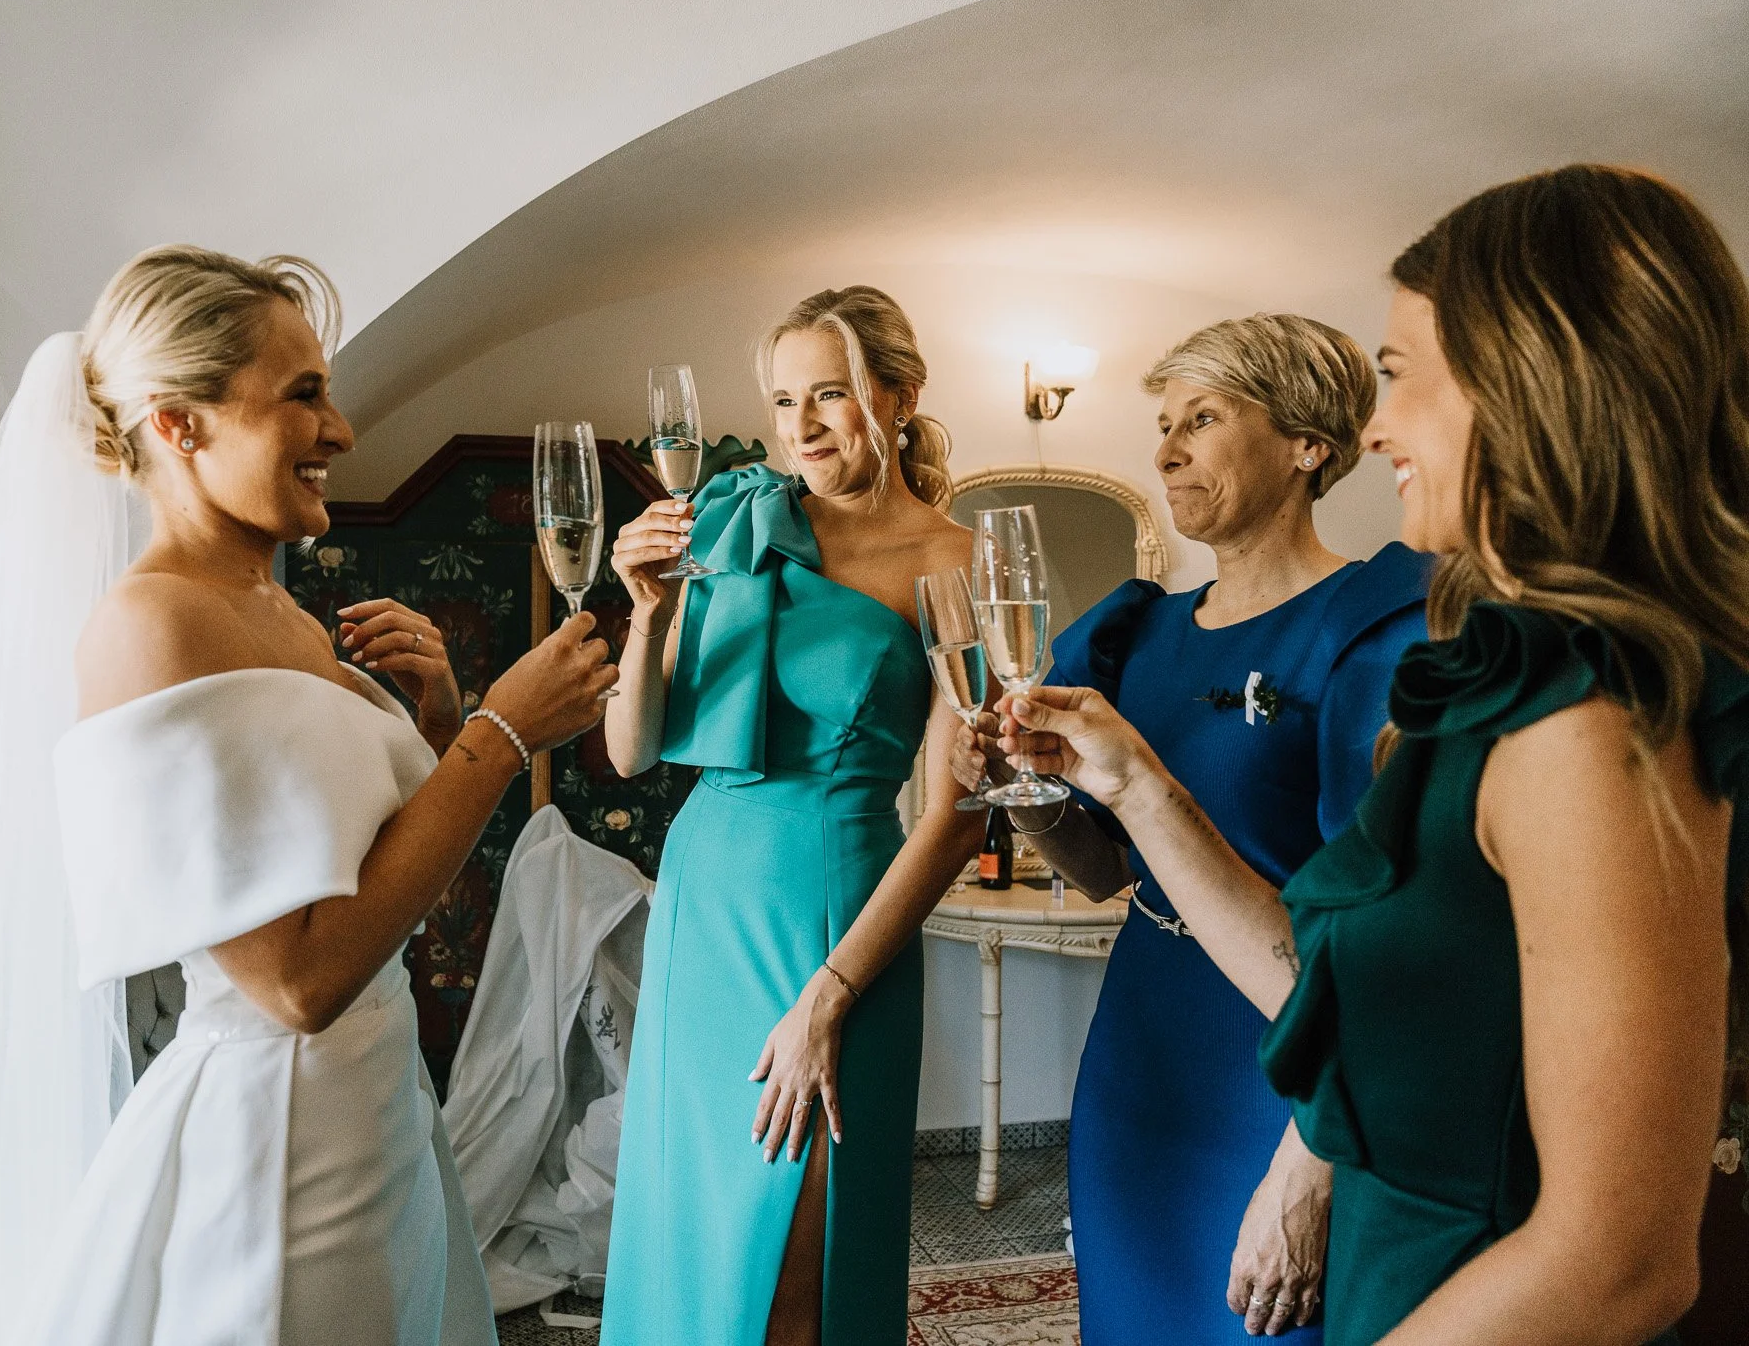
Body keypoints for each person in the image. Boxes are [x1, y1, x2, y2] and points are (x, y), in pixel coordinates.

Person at [994, 165, 1749, 1345]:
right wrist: (1129, 785)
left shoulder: (1591, 716)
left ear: (1526, 379)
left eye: (1397, 377)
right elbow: (1338, 993)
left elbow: (1616, 1261)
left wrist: (1301, 1171)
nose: (1376, 427)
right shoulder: (1503, 684)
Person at [0, 245, 620, 1346]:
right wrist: (497, 738)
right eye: (302, 395)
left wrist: (442, 724)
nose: (338, 431)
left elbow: (376, 906)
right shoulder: (150, 627)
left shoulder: (287, 616)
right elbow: (295, 982)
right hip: (282, 1153)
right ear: (180, 424)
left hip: (376, 1106)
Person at [955, 315, 1430, 1342]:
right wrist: (1019, 788)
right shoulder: (1139, 632)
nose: (1167, 449)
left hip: (1286, 1069)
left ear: (1307, 443)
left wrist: (1311, 1162)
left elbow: (1390, 947)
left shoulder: (1371, 629)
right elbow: (1100, 869)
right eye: (1163, 425)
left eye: (1202, 419)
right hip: (1141, 1051)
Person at [598, 287, 986, 1345]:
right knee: (694, 1238)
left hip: (831, 922)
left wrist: (829, 994)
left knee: (794, 1270)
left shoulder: (954, 562)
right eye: (782, 401)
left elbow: (958, 817)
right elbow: (631, 751)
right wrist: (647, 612)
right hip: (700, 908)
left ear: (900, 397)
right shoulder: (737, 520)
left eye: (830, 394)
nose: (801, 427)